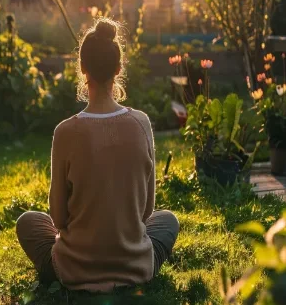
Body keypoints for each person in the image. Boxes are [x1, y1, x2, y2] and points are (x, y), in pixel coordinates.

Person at [15, 18, 179, 292]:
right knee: (168, 221)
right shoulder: (142, 123)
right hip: (134, 265)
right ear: (118, 69)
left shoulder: (65, 131)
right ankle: (132, 268)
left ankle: (69, 270)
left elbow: (57, 218)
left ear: (82, 67)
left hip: (74, 269)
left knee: (29, 222)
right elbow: (147, 211)